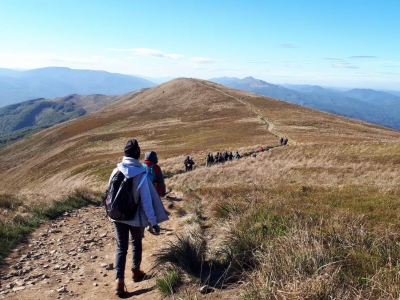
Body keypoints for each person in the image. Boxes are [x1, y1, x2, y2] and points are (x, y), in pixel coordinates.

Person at [109, 139, 169, 296]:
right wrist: (153, 222)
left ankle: (119, 282)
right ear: (137, 154)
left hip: (117, 216)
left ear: (125, 153)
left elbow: (109, 194)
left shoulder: (116, 171)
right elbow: (147, 202)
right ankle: (136, 271)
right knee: (136, 243)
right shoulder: (140, 174)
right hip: (135, 218)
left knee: (121, 248)